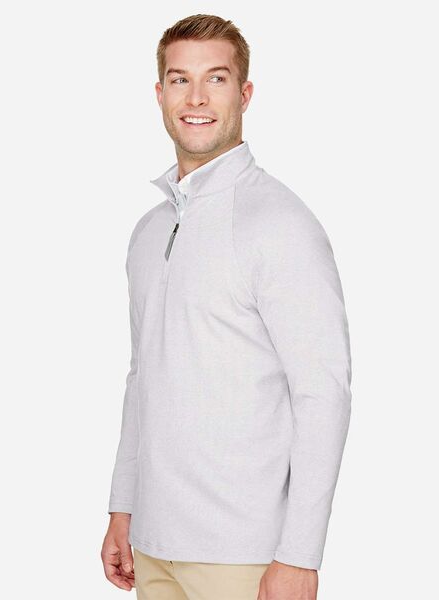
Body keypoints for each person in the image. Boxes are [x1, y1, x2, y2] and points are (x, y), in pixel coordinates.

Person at [101, 13, 352, 600]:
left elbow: (323, 392)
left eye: (215, 79)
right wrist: (123, 506)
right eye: (180, 79)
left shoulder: (279, 223)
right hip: (153, 546)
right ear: (159, 94)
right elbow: (143, 377)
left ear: (245, 94)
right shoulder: (150, 230)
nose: (196, 98)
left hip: (245, 556)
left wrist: (300, 556)